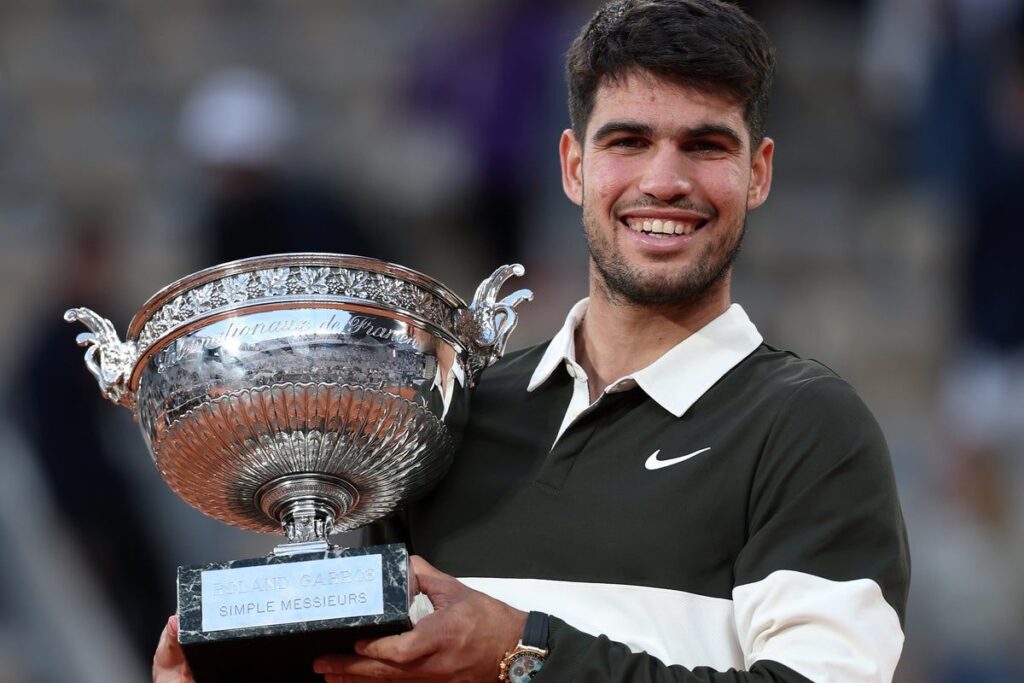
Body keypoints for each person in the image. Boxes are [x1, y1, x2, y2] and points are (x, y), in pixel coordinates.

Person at [153, 1, 910, 681]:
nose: (665, 179)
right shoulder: (441, 420)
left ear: (758, 173)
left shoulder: (810, 430)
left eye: (706, 145)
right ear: (574, 167)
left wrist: (526, 653)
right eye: (629, 140)